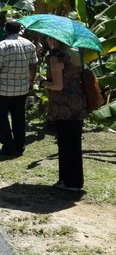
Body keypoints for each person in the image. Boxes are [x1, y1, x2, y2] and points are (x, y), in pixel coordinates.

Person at [38, 38, 87, 191]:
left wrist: (42, 82)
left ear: (54, 39)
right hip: (77, 102)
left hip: (63, 106)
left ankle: (68, 181)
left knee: (65, 143)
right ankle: (73, 181)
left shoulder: (56, 58)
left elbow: (58, 86)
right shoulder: (76, 54)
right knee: (74, 143)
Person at [0, 20, 38, 156]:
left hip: (4, 88)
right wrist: (31, 80)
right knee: (19, 116)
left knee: (0, 116)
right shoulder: (29, 44)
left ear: (6, 30)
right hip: (22, 88)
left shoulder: (3, 45)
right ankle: (19, 145)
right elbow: (34, 64)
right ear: (19, 30)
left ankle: (8, 146)